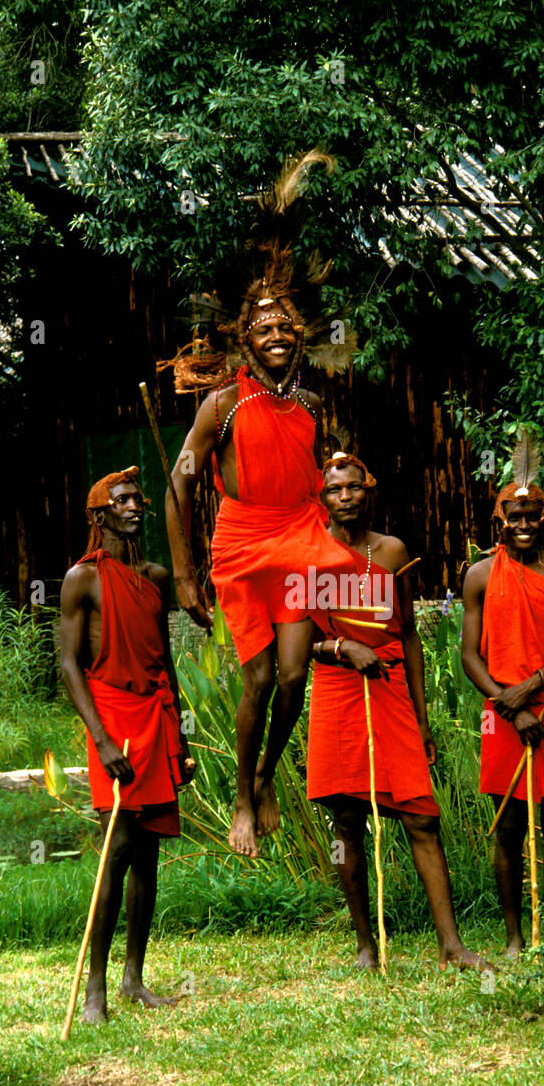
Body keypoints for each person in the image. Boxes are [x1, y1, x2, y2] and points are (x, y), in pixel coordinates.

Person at [164, 153, 358, 859]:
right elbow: (180, 483)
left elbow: (338, 477)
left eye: (285, 328)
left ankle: (270, 772)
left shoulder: (311, 404)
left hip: (302, 541)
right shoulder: (224, 403)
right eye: (263, 330)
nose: (275, 336)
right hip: (243, 548)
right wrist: (185, 574)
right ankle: (246, 792)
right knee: (256, 675)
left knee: (295, 675)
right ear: (245, 339)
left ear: (297, 336)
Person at [307, 453, 494, 973]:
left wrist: (421, 716)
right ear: (322, 498)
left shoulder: (392, 551)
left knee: (420, 816)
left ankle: (451, 945)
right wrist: (343, 648)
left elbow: (409, 633)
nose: (345, 496)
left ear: (369, 492)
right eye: (334, 489)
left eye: (353, 488)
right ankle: (366, 943)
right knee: (346, 818)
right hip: (336, 688)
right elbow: (296, 646)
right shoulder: (306, 553)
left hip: (389, 687)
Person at [60, 467, 194, 1023]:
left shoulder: (157, 576)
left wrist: (181, 731)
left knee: (149, 851)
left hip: (156, 714)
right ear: (99, 514)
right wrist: (100, 737)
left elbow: (163, 657)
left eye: (139, 500)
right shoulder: (82, 578)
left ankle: (133, 979)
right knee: (116, 848)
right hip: (111, 714)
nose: (135, 508)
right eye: (123, 501)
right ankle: (94, 990)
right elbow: (69, 664)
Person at [461, 434, 544, 955]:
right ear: (500, 520)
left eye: (531, 515)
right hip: (502, 713)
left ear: (543, 516)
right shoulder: (479, 575)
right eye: (513, 516)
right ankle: (515, 936)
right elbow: (470, 655)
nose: (522, 524)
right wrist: (508, 706)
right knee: (509, 824)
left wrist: (530, 691)